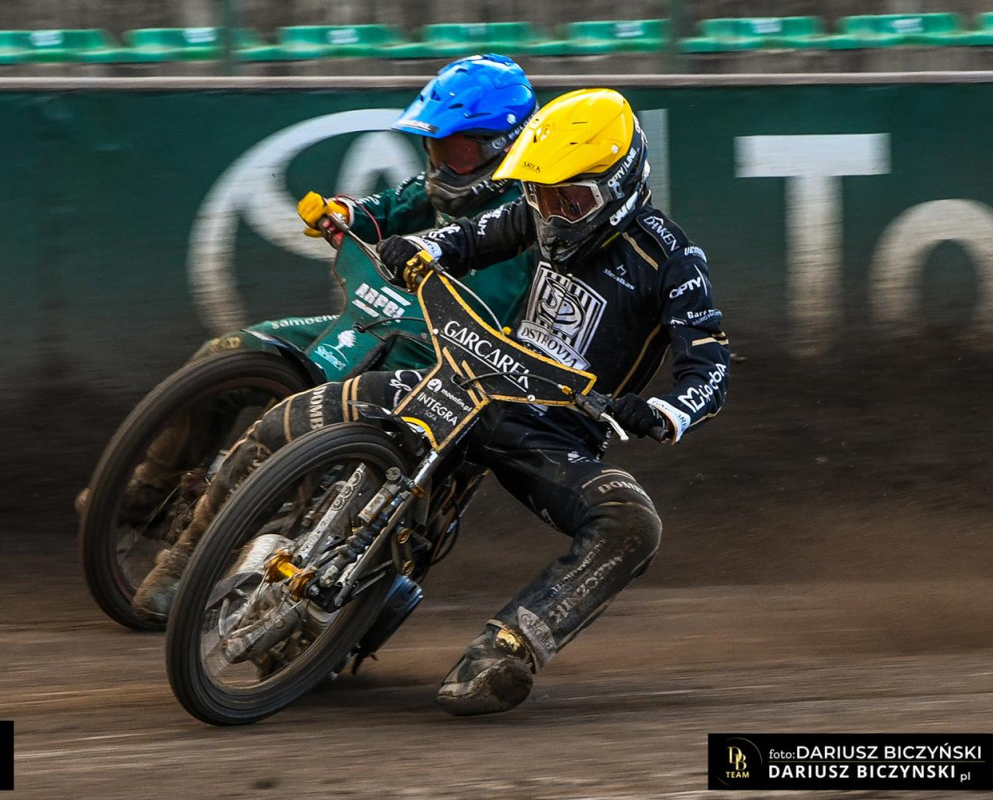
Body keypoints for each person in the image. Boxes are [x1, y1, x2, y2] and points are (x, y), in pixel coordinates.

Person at [138, 86, 729, 716]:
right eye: (541, 196)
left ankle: (506, 652)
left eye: (571, 200)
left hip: (554, 431)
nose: (554, 215)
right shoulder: (534, 214)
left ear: (623, 184)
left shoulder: (673, 260)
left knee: (631, 522)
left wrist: (664, 411)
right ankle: (187, 559)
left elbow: (710, 364)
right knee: (285, 420)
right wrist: (423, 249)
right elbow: (470, 236)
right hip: (462, 381)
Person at [129, 54, 537, 611]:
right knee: (229, 353)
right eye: (434, 145)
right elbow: (395, 204)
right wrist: (346, 212)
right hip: (379, 324)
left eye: (456, 147)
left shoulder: (536, 205)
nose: (442, 158)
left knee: (290, 435)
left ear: (502, 144)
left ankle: (189, 564)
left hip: (448, 369)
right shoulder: (443, 183)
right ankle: (146, 493)